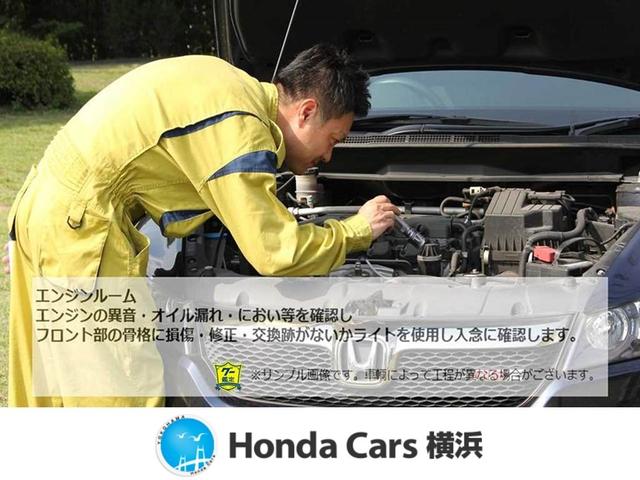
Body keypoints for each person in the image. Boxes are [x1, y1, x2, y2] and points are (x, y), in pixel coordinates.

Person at [5, 44, 399, 407]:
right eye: (333, 139)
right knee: (119, 394)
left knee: (49, 393)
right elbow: (277, 252)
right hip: (83, 231)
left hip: (48, 210)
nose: (328, 156)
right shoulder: (240, 128)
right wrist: (356, 230)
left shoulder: (228, 85)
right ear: (307, 111)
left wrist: (36, 230)